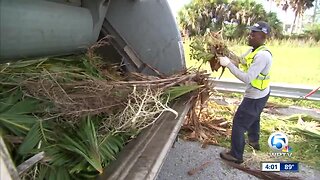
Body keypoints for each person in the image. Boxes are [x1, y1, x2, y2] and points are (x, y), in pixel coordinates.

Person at [218, 21, 272, 164]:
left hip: (255, 95)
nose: (250, 35)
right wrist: (226, 53)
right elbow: (240, 61)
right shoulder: (253, 50)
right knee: (255, 117)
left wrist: (228, 65)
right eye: (250, 32)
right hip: (262, 92)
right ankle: (254, 141)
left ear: (262, 36)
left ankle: (236, 155)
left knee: (239, 123)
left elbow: (247, 78)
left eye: (253, 33)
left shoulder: (262, 56)